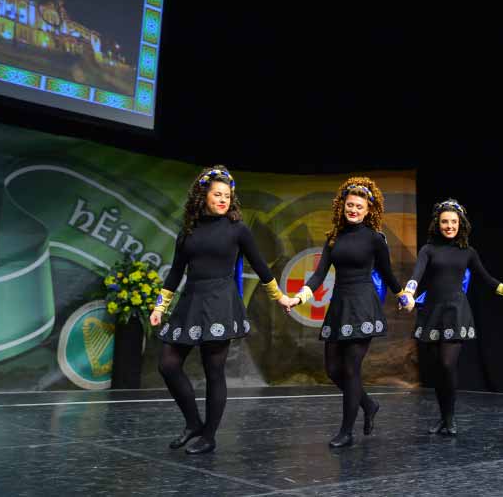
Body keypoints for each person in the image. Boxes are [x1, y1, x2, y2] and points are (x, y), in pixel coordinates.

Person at [150, 166, 291, 454]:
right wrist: (160, 306)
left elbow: (261, 266)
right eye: (218, 194)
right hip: (191, 300)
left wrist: (280, 297)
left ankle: (209, 435)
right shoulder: (187, 231)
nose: (223, 199)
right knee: (167, 364)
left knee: (214, 370)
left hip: (220, 302)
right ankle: (193, 423)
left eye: (227, 195)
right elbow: (176, 272)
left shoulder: (237, 228)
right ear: (203, 196)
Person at [286, 177, 407, 448]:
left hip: (363, 305)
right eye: (349, 205)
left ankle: (346, 431)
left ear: (368, 211)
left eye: (359, 206)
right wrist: (300, 296)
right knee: (332, 370)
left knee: (351, 369)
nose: (353, 209)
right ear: (342, 206)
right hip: (339, 305)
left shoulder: (376, 239)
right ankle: (368, 403)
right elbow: (318, 276)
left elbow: (387, 274)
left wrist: (402, 296)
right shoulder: (333, 238)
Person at [400, 199, 503, 436]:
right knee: (437, 368)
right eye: (444, 222)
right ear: (437, 224)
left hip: (456, 313)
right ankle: (442, 417)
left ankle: (450, 419)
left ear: (460, 224)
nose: (449, 226)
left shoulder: (468, 252)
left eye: (453, 222)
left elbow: (488, 280)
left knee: (447, 363)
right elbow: (416, 275)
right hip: (432, 312)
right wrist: (409, 293)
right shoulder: (428, 250)